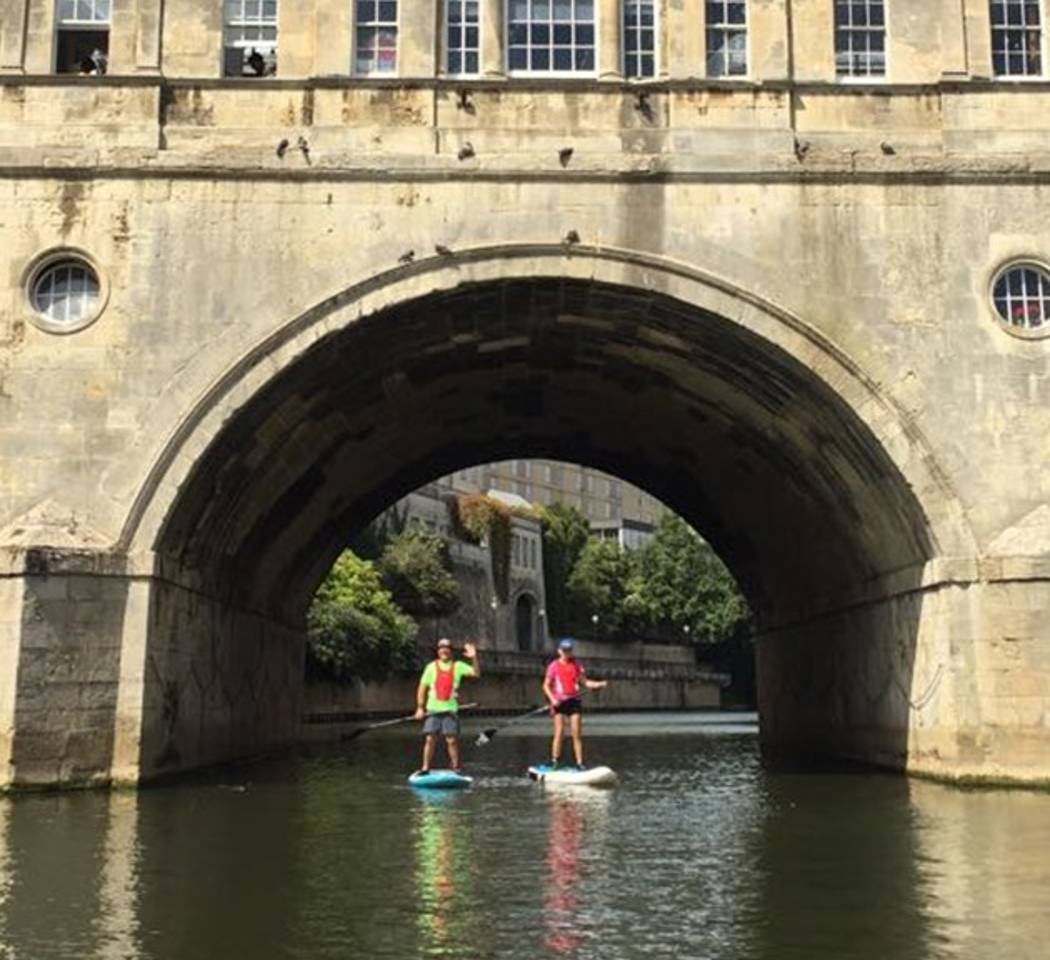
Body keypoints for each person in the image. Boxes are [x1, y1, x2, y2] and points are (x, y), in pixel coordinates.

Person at [413, 638, 480, 775]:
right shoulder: (431, 667)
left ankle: (455, 767)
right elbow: (422, 688)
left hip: (450, 710)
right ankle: (425, 767)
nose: (444, 650)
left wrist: (474, 658)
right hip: (433, 710)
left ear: (450, 651)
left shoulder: (458, 666)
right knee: (430, 739)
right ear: (438, 651)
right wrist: (420, 707)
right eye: (441, 648)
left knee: (451, 740)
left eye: (447, 648)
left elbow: (476, 673)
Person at [542, 639, 607, 770]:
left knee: (576, 733)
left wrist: (598, 684)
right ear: (559, 651)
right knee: (559, 732)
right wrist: (553, 699)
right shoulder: (553, 666)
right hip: (559, 702)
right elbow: (546, 686)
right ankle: (555, 761)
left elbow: (585, 682)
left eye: (569, 650)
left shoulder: (577, 666)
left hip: (573, 702)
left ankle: (579, 763)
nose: (567, 653)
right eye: (565, 650)